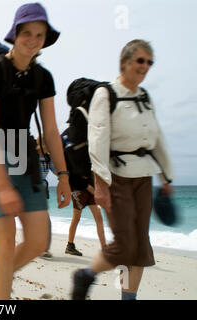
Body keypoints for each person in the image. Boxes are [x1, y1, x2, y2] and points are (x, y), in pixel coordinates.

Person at [0, 3, 71, 300]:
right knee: (5, 243)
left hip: (25, 155)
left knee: (39, 241)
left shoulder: (44, 77)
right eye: (27, 32)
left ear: (45, 39)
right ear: (15, 34)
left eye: (39, 35)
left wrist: (64, 177)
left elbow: (52, 131)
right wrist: (2, 186)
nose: (33, 39)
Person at [71, 40, 173, 300]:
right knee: (125, 245)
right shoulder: (106, 94)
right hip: (117, 177)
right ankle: (86, 275)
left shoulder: (144, 96)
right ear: (125, 62)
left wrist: (166, 177)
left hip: (144, 176)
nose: (145, 66)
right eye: (140, 60)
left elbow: (156, 136)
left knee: (140, 246)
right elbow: (98, 139)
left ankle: (128, 298)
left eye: (150, 61)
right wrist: (101, 183)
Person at [66, 170, 106, 256]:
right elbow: (74, 174)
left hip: (91, 191)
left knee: (99, 218)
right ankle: (70, 246)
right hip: (79, 190)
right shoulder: (76, 157)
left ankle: (104, 248)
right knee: (76, 218)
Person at [36, 135, 55, 259]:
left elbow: (57, 171)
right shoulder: (30, 156)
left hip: (41, 191)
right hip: (28, 189)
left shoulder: (48, 158)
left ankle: (43, 249)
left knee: (44, 221)